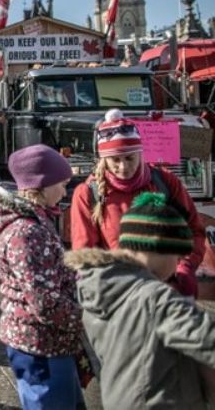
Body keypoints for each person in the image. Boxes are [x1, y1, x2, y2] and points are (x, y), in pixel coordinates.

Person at [65, 192, 215, 409]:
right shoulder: (155, 299)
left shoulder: (97, 287)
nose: (177, 266)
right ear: (161, 248)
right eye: (177, 257)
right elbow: (208, 341)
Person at [0, 144, 84, 409]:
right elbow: (44, 302)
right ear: (40, 185)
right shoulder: (27, 233)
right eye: (61, 184)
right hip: (40, 345)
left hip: (44, 342)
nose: (64, 191)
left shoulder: (34, 222)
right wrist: (90, 322)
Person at [70, 109, 206, 297]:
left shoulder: (166, 183)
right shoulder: (87, 194)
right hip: (122, 295)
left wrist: (185, 269)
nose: (123, 166)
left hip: (171, 290)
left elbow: (194, 231)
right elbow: (86, 255)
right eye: (115, 160)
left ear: (141, 153)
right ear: (103, 160)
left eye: (129, 158)